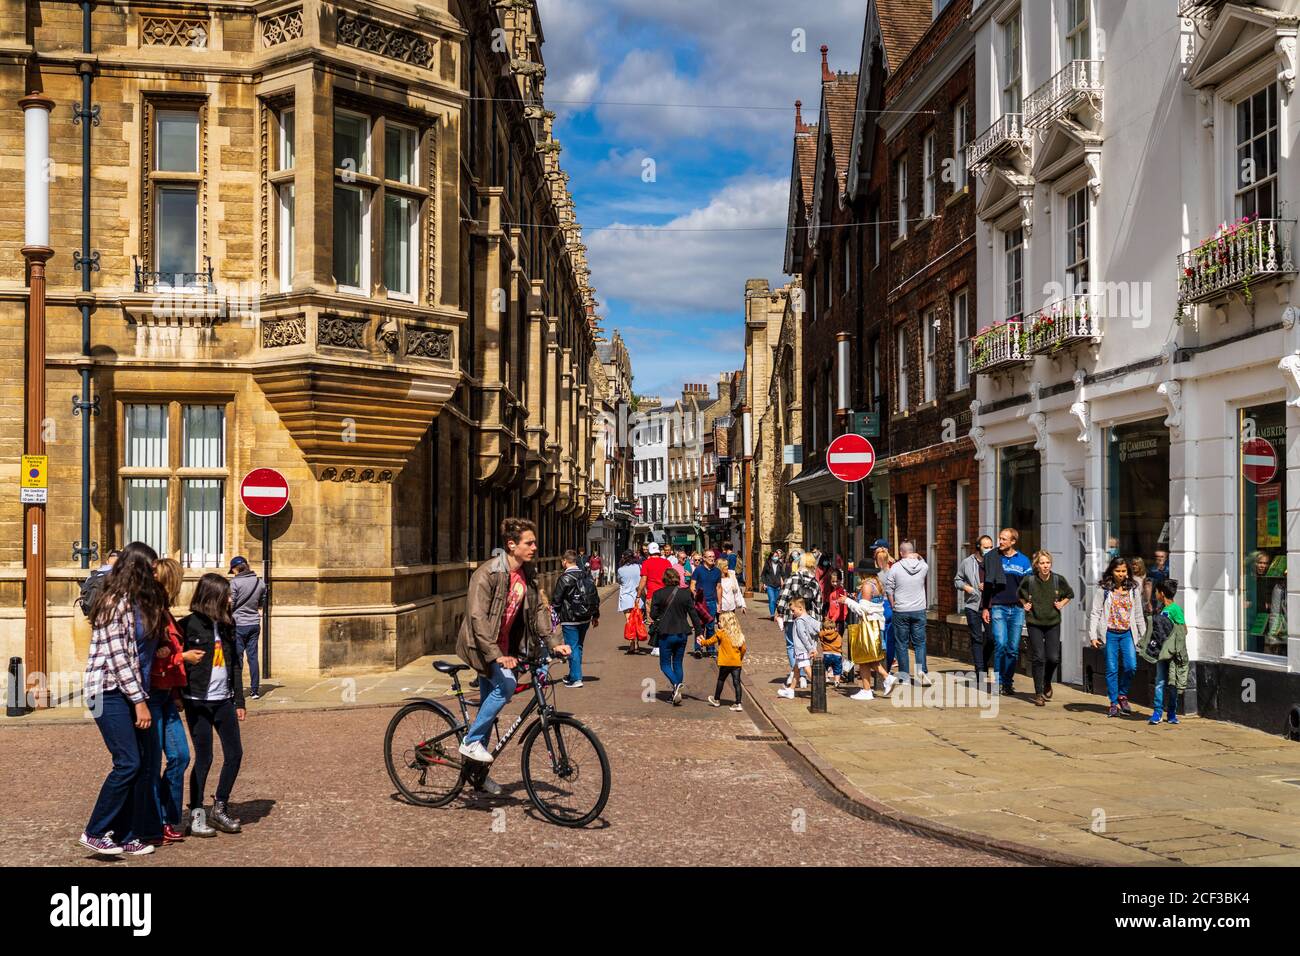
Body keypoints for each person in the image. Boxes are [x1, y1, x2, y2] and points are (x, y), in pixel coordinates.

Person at [454, 519, 570, 797]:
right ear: (511, 545)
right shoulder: (487, 574)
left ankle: (476, 774)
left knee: (488, 713)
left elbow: (540, 612)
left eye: (534, 542)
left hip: (506, 649)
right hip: (480, 648)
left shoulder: (528, 573)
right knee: (505, 687)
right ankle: (470, 742)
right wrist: (497, 656)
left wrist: (556, 643)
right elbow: (477, 620)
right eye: (529, 543)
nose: (534, 547)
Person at [79, 543, 166, 858]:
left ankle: (127, 833)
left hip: (125, 690)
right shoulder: (115, 603)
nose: (156, 571)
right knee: (127, 761)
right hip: (107, 690)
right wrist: (140, 701)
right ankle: (96, 830)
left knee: (140, 763)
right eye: (152, 566)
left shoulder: (133, 601)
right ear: (140, 568)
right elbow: (118, 659)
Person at [179, 573, 246, 835]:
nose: (231, 599)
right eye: (226, 595)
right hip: (197, 702)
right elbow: (175, 660)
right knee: (204, 757)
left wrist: (239, 700)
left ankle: (220, 806)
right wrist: (177, 694)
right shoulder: (187, 625)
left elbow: (236, 665)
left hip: (224, 701)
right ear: (212, 597)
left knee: (235, 754)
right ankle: (196, 813)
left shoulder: (229, 625)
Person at [147, 557, 193, 844]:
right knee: (150, 763)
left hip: (165, 694)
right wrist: (181, 658)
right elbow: (147, 660)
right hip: (150, 695)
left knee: (180, 756)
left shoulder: (165, 613)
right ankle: (155, 822)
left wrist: (176, 693)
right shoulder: (151, 614)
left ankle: (167, 816)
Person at [1087, 555, 1148, 718]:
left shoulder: (1133, 589)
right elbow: (1095, 613)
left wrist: (1144, 636)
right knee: (1112, 669)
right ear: (1111, 571)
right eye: (1118, 571)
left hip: (1127, 633)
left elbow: (1138, 614)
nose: (1121, 574)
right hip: (1109, 634)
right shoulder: (1104, 590)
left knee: (1131, 666)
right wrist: (1093, 635)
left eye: (1124, 571)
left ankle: (1122, 694)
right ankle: (1113, 703)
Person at [1017, 550, 1074, 706]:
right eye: (1042, 563)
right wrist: (1025, 604)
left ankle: (1047, 680)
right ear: (1037, 565)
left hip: (1052, 622)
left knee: (1053, 658)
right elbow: (1019, 593)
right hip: (1034, 622)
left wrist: (1062, 603)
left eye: (1047, 563)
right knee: (1038, 657)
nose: (1045, 566)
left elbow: (1070, 593)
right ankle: (1039, 693)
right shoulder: (1030, 580)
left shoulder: (1057, 580)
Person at [982, 527, 1033, 695]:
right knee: (1001, 644)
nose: (1000, 541)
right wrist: (985, 608)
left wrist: (1028, 602)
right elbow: (988, 585)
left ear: (1013, 541)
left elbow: (1028, 586)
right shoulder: (993, 557)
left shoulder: (1023, 561)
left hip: (1017, 609)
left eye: (1004, 539)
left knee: (1012, 648)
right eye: (1000, 538)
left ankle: (1008, 682)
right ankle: (998, 681)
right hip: (998, 606)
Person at [649, 566, 701, 705]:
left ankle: (676, 684)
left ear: (664, 579)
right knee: (678, 663)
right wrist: (699, 632)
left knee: (665, 665)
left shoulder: (658, 594)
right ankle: (675, 693)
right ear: (678, 579)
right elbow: (693, 614)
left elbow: (653, 615)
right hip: (682, 632)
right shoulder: (685, 594)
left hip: (666, 633)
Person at [552, 549, 600, 688]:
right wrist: (595, 615)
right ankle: (573, 674)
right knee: (578, 646)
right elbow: (594, 597)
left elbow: (556, 600)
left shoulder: (564, 578)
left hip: (570, 618)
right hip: (585, 617)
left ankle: (577, 679)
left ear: (565, 561)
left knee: (571, 647)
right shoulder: (586, 575)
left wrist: (552, 616)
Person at [1142, 578, 1188, 725]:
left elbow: (1183, 630)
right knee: (1160, 681)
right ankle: (1157, 712)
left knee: (1172, 683)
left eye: (1156, 591)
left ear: (1161, 593)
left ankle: (1172, 712)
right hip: (1161, 653)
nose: (1155, 594)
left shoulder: (1175, 609)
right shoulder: (1161, 609)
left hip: (1173, 654)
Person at [774, 552, 822, 690]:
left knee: (792, 646)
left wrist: (780, 612)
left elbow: (783, 596)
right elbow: (819, 603)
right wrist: (817, 622)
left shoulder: (793, 577)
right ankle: (801, 676)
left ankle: (800, 674)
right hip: (810, 618)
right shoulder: (815, 582)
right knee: (808, 646)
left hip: (792, 616)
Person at [885, 541, 930, 687]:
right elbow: (924, 562)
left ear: (900, 552)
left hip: (901, 610)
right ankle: (921, 671)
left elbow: (889, 589)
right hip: (919, 609)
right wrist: (919, 557)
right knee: (920, 643)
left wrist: (893, 604)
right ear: (913, 552)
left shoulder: (895, 568)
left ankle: (904, 676)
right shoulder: (923, 566)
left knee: (902, 644)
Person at [838, 589, 895, 700]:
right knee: (867, 659)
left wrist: (847, 601)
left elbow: (863, 610)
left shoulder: (867, 585)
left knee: (864, 658)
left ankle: (880, 682)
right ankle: (870, 687)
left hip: (869, 627)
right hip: (875, 626)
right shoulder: (875, 584)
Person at [704, 567, 747, 711]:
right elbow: (744, 648)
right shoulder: (738, 634)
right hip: (736, 662)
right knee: (736, 682)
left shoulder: (721, 633)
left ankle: (716, 699)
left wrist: (701, 641)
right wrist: (739, 657)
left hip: (724, 662)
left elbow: (710, 641)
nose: (719, 623)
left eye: (721, 621)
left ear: (724, 623)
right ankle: (738, 703)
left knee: (721, 680)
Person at [955, 535, 994, 694]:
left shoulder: (994, 561)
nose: (988, 549)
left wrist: (990, 584)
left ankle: (983, 663)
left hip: (990, 606)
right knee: (977, 638)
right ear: (978, 547)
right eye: (986, 546)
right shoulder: (968, 562)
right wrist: (967, 588)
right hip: (973, 606)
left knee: (992, 638)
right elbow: (957, 580)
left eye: (991, 546)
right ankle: (980, 672)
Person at [227, 556, 266, 701]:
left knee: (237, 659)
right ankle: (255, 690)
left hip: (238, 624)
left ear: (236, 569)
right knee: (253, 657)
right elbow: (261, 603)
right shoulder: (260, 582)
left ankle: (236, 691)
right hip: (254, 623)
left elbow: (231, 604)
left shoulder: (235, 583)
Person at [638, 542, 674, 657]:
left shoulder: (646, 563)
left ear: (649, 551)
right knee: (666, 620)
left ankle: (657, 646)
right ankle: (666, 645)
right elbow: (671, 577)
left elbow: (643, 580)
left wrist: (638, 595)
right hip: (666, 594)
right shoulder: (667, 562)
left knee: (653, 621)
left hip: (652, 595)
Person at [778, 598, 819, 699]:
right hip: (804, 650)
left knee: (807, 669)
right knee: (796, 670)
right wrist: (813, 646)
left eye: (793, 610)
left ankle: (819, 689)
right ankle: (791, 690)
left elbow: (803, 636)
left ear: (800, 608)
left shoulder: (799, 621)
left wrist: (810, 649)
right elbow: (816, 630)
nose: (792, 613)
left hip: (802, 650)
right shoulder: (808, 618)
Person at [690, 549, 724, 657]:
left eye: (713, 556)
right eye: (709, 557)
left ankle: (711, 649)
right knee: (700, 626)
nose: (712, 558)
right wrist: (696, 596)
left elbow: (718, 588)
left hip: (712, 602)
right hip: (700, 602)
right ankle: (698, 648)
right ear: (704, 558)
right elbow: (692, 585)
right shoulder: (698, 570)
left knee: (710, 627)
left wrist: (719, 604)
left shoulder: (717, 571)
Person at [871, 546, 896, 672]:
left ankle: (880, 665)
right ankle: (889, 665)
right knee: (890, 638)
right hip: (891, 606)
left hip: (879, 607)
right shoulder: (893, 572)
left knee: (879, 638)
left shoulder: (875, 576)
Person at [77, 547, 121, 618]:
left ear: (107, 562)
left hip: (94, 613)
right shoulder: (120, 575)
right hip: (113, 614)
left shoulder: (93, 575)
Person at [617, 551, 644, 654]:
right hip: (638, 597)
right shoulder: (639, 567)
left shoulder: (620, 570)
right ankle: (636, 644)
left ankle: (632, 644)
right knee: (637, 621)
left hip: (626, 598)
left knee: (629, 622)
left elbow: (620, 581)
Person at [760, 549, 786, 619]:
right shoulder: (767, 564)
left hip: (777, 585)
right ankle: (772, 615)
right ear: (771, 557)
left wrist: (784, 581)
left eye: (777, 556)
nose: (776, 557)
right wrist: (764, 583)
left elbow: (783, 574)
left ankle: (774, 613)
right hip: (769, 585)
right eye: (774, 556)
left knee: (776, 601)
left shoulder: (780, 564)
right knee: (772, 600)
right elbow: (763, 574)